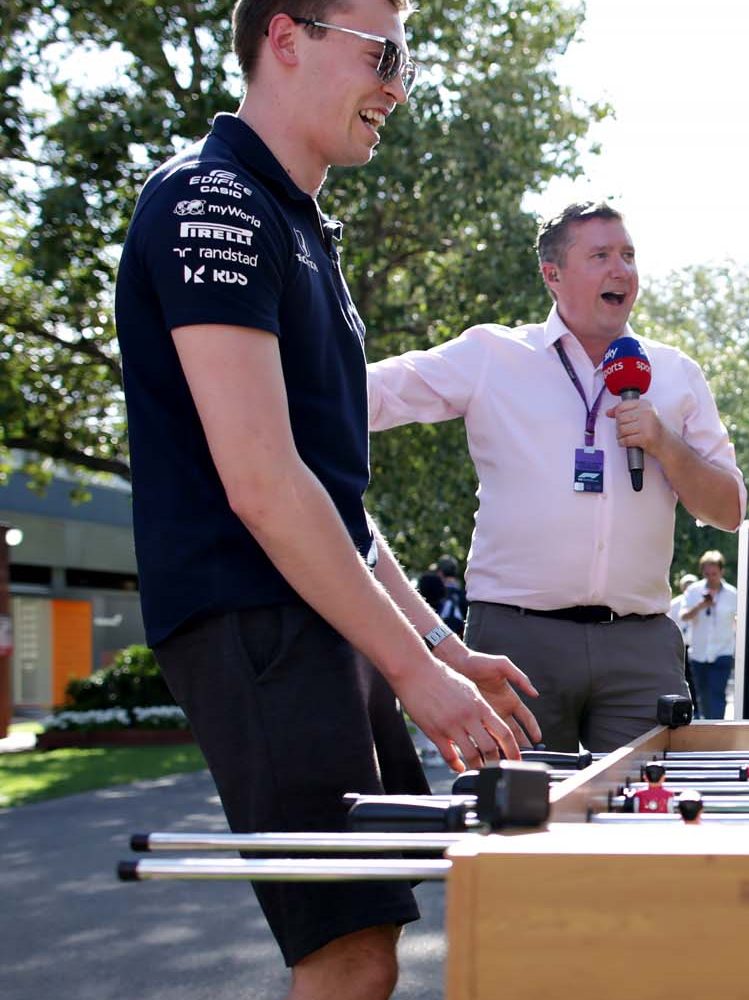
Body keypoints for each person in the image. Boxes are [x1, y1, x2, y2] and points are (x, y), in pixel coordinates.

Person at [112, 2, 533, 995]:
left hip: (313, 611)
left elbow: (333, 498)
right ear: (286, 36)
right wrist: (413, 673)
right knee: (342, 950)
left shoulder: (296, 225)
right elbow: (261, 481)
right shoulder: (209, 200)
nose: (398, 85)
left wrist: (439, 649)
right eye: (385, 54)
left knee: (368, 943)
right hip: (254, 612)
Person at [367, 200, 747, 752]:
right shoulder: (492, 355)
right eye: (601, 256)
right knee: (522, 821)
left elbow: (729, 510)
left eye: (629, 255)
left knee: (643, 828)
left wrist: (665, 442)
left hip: (639, 648)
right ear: (553, 274)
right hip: (518, 643)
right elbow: (370, 392)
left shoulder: (674, 373)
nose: (622, 270)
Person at [679, 550, 739, 719]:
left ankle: (718, 732)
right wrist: (700, 606)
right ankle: (708, 730)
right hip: (699, 654)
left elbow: (740, 619)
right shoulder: (694, 590)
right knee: (703, 697)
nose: (711, 577)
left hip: (723, 652)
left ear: (722, 571)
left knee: (717, 695)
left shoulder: (732, 594)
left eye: (714, 573)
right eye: (707, 574)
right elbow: (683, 616)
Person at [433, 556, 468, 635]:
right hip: (459, 638)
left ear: (440, 573)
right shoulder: (464, 594)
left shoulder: (435, 593)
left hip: (437, 636)